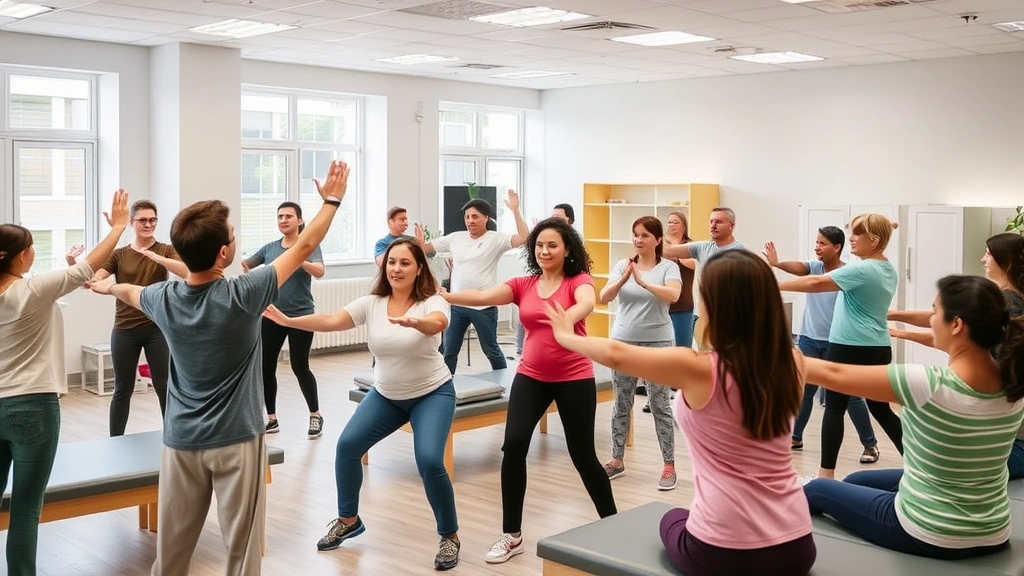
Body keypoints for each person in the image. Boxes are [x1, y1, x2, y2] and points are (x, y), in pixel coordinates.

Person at [91, 161, 350, 576]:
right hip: (236, 442)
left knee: (171, 552)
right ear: (224, 253)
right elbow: (302, 247)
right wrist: (332, 200)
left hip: (180, 441)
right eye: (232, 235)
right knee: (241, 553)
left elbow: (125, 289)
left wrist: (103, 286)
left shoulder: (163, 298)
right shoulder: (244, 294)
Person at [543, 250, 815, 576]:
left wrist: (565, 336)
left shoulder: (700, 369)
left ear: (715, 305)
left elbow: (616, 354)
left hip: (723, 550)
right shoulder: (794, 361)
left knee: (670, 518)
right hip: (797, 544)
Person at [262, 238, 461, 571]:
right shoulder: (373, 302)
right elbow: (332, 320)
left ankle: (449, 536)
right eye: (392, 262)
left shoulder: (431, 301)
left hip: (432, 393)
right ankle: (348, 519)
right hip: (386, 394)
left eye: (405, 263)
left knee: (428, 460)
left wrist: (417, 323)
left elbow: (439, 323)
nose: (396, 269)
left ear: (419, 269)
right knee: (347, 447)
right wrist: (289, 322)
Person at [803, 275, 1024, 560]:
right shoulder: (1013, 384)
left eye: (935, 312)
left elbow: (834, 374)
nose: (931, 319)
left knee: (818, 488)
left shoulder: (927, 384)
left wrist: (772, 353)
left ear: (956, 325)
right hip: (993, 529)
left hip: (929, 532)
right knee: (858, 479)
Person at [441, 217, 617, 565]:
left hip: (574, 376)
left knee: (583, 456)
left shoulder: (577, 281)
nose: (544, 250)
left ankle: (613, 525)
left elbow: (586, 301)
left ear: (567, 250)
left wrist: (568, 315)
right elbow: (481, 295)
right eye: (539, 245)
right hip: (531, 376)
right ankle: (512, 534)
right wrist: (444, 294)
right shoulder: (524, 284)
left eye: (552, 245)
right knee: (515, 446)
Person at [0, 189, 129, 575]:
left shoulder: (32, 289)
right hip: (33, 407)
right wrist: (118, 227)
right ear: (24, 255)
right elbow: (86, 269)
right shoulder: (32, 290)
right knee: (25, 507)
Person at [778, 213, 903, 480]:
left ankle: (826, 476)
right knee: (881, 408)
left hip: (848, 346)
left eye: (857, 234)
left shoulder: (862, 268)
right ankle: (919, 463)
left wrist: (769, 284)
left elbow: (815, 283)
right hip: (878, 346)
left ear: (874, 240)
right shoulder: (886, 268)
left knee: (834, 408)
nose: (852, 240)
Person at [889, 232, 1024, 478]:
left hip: (1013, 445)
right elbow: (945, 320)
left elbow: (954, 333)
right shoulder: (1004, 299)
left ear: (1006, 261)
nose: (983, 259)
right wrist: (896, 321)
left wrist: (900, 329)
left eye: (988, 254)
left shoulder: (1008, 303)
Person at [764, 227, 881, 465]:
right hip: (809, 338)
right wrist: (776, 264)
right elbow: (800, 268)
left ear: (837, 247)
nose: (817, 247)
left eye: (823, 243)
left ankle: (870, 444)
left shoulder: (849, 272)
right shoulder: (815, 266)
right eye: (817, 243)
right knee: (804, 391)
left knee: (851, 396)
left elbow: (815, 283)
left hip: (839, 341)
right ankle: (795, 437)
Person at [86, 200, 187, 436]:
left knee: (164, 386)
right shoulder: (119, 255)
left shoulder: (165, 250)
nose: (148, 224)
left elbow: (186, 272)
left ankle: (174, 438)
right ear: (132, 222)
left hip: (157, 328)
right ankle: (114, 440)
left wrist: (158, 259)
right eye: (142, 220)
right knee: (123, 388)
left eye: (152, 220)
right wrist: (92, 280)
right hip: (124, 329)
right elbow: (96, 279)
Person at [599, 216, 681, 490]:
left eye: (644, 235)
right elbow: (604, 297)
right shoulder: (624, 265)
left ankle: (669, 465)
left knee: (660, 405)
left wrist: (643, 283)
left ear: (657, 240)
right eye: (635, 234)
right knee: (622, 403)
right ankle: (616, 460)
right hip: (623, 342)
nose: (638, 240)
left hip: (658, 345)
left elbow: (673, 296)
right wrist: (623, 279)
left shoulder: (668, 267)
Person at [417, 191, 528, 374]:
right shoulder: (455, 238)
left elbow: (524, 239)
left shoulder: (495, 239)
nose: (470, 221)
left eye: (475, 216)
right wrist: (419, 243)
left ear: (486, 218)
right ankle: (444, 385)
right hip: (457, 305)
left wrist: (516, 211)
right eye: (467, 217)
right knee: (448, 351)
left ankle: (506, 386)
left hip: (484, 306)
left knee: (490, 350)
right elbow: (425, 248)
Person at [242, 202, 326, 439]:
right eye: (280, 216)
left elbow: (320, 272)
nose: (283, 220)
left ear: (300, 220)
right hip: (271, 315)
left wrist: (297, 258)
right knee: (265, 366)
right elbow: (245, 265)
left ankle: (315, 415)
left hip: (301, 315)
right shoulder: (269, 248)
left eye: (288, 216)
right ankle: (271, 418)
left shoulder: (308, 246)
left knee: (300, 366)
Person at [516, 204, 576, 356]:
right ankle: (522, 350)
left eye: (558, 217)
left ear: (570, 220)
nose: (554, 220)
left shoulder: (573, 240)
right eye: (552, 216)